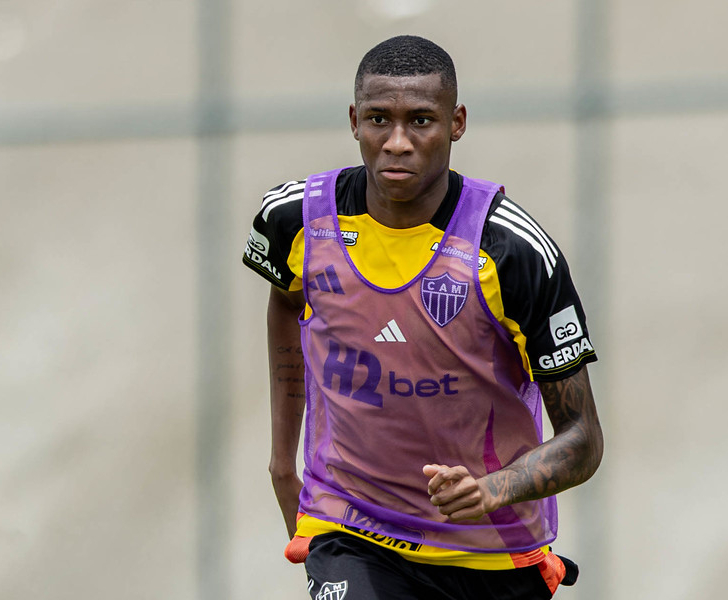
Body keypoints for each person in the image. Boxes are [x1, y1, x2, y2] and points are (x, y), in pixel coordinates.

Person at [243, 35, 603, 600]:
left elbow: (583, 439)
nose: (398, 143)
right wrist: (282, 463)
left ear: (457, 122)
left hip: (491, 553)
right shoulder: (294, 220)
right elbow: (288, 302)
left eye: (421, 121)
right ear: (353, 121)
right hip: (353, 528)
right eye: (378, 119)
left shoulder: (512, 252)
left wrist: (492, 489)